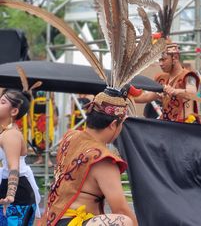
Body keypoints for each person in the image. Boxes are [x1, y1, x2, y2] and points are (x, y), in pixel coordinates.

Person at [41, 88, 137, 226]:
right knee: (124, 221)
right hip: (71, 223)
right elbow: (121, 209)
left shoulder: (70, 136)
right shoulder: (104, 159)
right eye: (121, 124)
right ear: (113, 124)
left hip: (51, 220)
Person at [0, 88, 41, 225]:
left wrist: (10, 195)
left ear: (14, 111)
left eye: (2, 102)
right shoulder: (6, 132)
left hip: (16, 195)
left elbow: (14, 166)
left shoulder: (10, 134)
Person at [134, 43, 200, 123]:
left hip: (185, 127)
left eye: (163, 59)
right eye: (159, 60)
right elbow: (147, 96)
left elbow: (192, 92)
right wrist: (125, 97)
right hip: (166, 126)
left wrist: (175, 91)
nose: (160, 64)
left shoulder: (189, 76)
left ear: (175, 58)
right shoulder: (161, 78)